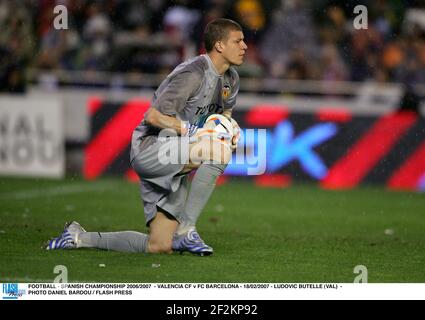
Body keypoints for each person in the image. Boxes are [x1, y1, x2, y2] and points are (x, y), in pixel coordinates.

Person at [45, 18, 247, 256]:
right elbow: (153, 116)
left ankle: (78, 237)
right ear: (220, 45)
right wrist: (195, 132)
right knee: (217, 151)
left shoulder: (231, 79)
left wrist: (229, 127)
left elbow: (223, 114)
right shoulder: (193, 74)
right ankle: (187, 229)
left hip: (178, 156)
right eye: (238, 40)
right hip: (152, 147)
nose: (244, 46)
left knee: (159, 245)